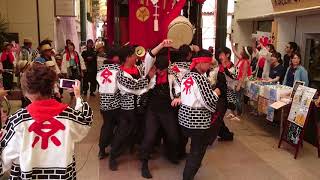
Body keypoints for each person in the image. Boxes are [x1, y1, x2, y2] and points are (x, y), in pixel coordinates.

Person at [0, 63, 93, 179]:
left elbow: (4, 156)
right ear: (52, 88)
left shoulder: (17, 120)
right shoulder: (69, 116)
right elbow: (85, 119)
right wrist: (78, 96)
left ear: (26, 92)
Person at [108, 45, 156, 171]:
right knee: (123, 132)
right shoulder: (121, 74)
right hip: (127, 109)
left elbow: (142, 83)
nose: (136, 57)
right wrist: (149, 77)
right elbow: (135, 86)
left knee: (140, 129)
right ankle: (113, 156)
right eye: (134, 55)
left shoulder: (137, 69)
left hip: (139, 107)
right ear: (128, 57)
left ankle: (139, 152)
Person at [139, 40, 181, 179]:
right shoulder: (150, 72)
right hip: (153, 109)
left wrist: (177, 96)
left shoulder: (171, 75)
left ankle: (172, 155)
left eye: (163, 69)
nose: (160, 71)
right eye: (158, 68)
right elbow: (149, 55)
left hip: (167, 110)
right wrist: (162, 45)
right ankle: (144, 164)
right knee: (149, 137)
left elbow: (178, 87)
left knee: (174, 136)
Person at [179, 50, 222, 180]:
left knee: (194, 148)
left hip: (184, 118)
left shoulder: (187, 75)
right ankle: (187, 176)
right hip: (197, 121)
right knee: (197, 151)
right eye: (208, 63)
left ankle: (191, 168)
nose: (209, 66)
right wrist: (216, 93)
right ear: (200, 62)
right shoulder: (199, 79)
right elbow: (208, 101)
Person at [96, 47, 121, 160]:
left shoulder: (101, 69)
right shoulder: (118, 69)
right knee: (119, 125)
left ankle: (101, 150)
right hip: (115, 103)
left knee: (106, 125)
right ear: (115, 57)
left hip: (103, 103)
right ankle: (115, 147)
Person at [230, 38, 252, 121]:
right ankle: (236, 113)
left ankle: (239, 115)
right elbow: (234, 52)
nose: (240, 51)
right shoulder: (241, 59)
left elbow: (243, 75)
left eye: (242, 50)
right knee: (236, 97)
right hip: (237, 81)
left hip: (240, 82)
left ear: (245, 53)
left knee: (239, 98)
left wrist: (239, 85)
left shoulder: (246, 62)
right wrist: (231, 43)